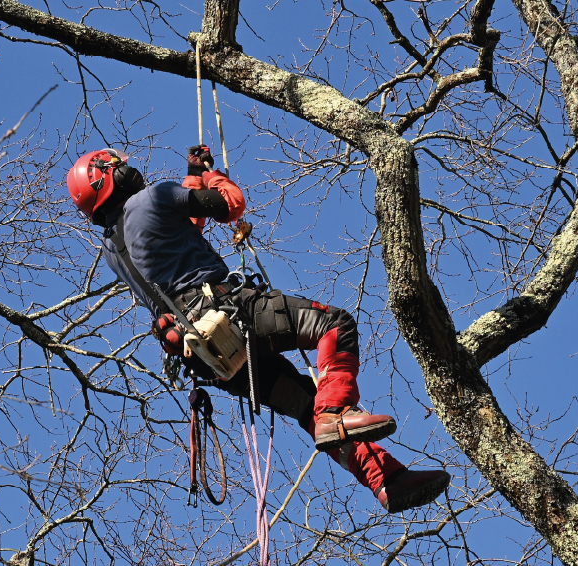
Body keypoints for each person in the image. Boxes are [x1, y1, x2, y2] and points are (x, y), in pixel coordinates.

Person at [65, 146, 451, 513]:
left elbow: (180, 229)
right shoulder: (153, 196)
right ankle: (336, 410)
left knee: (304, 403)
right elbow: (228, 206)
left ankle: (384, 479)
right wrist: (214, 177)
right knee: (334, 324)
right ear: (107, 176)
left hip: (207, 354)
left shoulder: (114, 250)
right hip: (230, 313)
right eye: (117, 166)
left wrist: (194, 176)